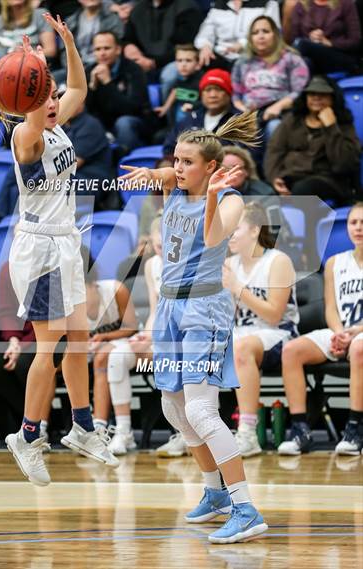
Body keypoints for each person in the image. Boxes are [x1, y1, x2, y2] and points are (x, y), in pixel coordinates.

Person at [0, 14, 119, 487]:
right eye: (44, 95)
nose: (54, 101)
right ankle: (27, 435)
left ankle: (81, 425)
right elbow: (37, 105)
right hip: (38, 248)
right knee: (50, 345)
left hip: (65, 242)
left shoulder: (57, 126)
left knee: (79, 339)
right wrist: (31, 63)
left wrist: (69, 45)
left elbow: (77, 87)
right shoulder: (25, 135)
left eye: (53, 95)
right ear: (29, 99)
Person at [121, 112, 268, 544]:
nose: (177, 167)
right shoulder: (175, 182)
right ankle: (215, 492)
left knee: (202, 410)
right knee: (174, 407)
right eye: (176, 160)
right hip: (170, 307)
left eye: (187, 162)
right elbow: (169, 171)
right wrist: (155, 170)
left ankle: (246, 508)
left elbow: (210, 239)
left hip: (205, 308)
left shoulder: (231, 200)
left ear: (211, 168)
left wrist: (212, 196)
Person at [279, 202, 363, 456]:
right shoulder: (335, 263)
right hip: (341, 331)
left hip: (359, 336)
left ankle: (355, 428)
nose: (358, 228)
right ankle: (300, 430)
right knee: (291, 350)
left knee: (359, 349)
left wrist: (354, 333)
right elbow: (331, 307)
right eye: (353, 222)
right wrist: (339, 332)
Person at [223, 203, 299, 457]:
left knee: (241, 347)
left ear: (255, 231)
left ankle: (247, 432)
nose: (229, 234)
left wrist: (237, 288)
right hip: (241, 333)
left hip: (278, 333)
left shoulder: (278, 260)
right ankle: (192, 431)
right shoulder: (229, 264)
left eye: (236, 228)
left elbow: (274, 314)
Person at [0, 261, 56, 440]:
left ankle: (39, 426)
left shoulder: (51, 266)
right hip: (19, 339)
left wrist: (21, 346)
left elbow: (49, 317)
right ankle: (26, 420)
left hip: (49, 335)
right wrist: (13, 340)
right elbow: (6, 311)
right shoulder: (8, 268)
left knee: (26, 364)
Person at [264, 75, 361, 205]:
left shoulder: (343, 124)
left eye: (322, 94)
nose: (316, 97)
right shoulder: (292, 120)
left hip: (329, 181)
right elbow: (275, 151)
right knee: (262, 194)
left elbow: (344, 164)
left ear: (333, 98)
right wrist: (275, 177)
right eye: (312, 94)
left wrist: (331, 127)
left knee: (303, 190)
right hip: (291, 177)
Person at [85, 260, 138, 452]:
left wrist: (105, 336)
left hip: (120, 342)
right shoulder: (68, 302)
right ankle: (41, 428)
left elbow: (132, 327)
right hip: (86, 349)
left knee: (103, 357)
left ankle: (100, 427)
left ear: (92, 284)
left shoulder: (116, 290)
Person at [231, 16, 309, 142]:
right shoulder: (242, 62)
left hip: (280, 114)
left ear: (275, 35)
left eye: (265, 31)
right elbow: (236, 95)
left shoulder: (291, 59)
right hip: (248, 114)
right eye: (255, 33)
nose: (261, 36)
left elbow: (300, 92)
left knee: (274, 128)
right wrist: (245, 113)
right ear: (250, 38)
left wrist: (278, 106)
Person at [86, 30, 152, 153]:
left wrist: (108, 83)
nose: (102, 53)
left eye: (107, 48)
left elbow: (132, 109)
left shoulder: (134, 70)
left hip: (135, 122)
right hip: (103, 124)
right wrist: (92, 87)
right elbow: (85, 111)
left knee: (124, 123)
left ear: (118, 50)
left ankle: (124, 164)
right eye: (98, 49)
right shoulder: (90, 71)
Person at [122, 0, 203, 95]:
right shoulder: (138, 9)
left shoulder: (187, 8)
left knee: (169, 75)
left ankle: (165, 109)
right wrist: (128, 46)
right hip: (143, 62)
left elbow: (185, 47)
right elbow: (128, 39)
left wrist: (154, 63)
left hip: (174, 61)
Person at [162, 68, 234, 157]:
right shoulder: (190, 119)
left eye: (219, 89)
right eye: (208, 90)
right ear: (201, 94)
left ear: (228, 93)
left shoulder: (239, 122)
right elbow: (169, 149)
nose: (213, 95)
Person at [194, 0, 280, 71]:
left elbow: (272, 33)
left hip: (252, 54)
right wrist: (205, 46)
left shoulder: (268, 3)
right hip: (221, 56)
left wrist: (243, 44)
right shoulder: (219, 5)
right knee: (198, 61)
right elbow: (204, 33)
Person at [290, 0, 362, 74]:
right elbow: (294, 38)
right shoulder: (301, 5)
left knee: (302, 44)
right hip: (312, 57)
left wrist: (330, 43)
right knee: (306, 61)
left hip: (338, 55)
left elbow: (355, 41)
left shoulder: (345, 3)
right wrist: (311, 39)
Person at [0, 0, 57, 65]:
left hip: (35, 63)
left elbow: (50, 51)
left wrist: (25, 53)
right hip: (7, 64)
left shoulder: (40, 14)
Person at [154, 44, 202, 128]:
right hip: (180, 117)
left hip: (196, 118)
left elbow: (206, 101)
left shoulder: (201, 80)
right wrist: (165, 107)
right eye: (179, 60)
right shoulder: (178, 79)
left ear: (198, 64)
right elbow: (175, 92)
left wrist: (193, 106)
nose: (183, 65)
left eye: (188, 60)